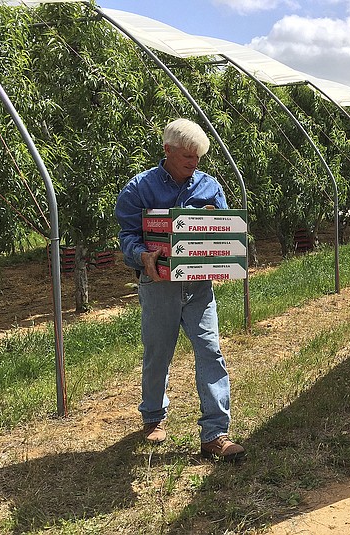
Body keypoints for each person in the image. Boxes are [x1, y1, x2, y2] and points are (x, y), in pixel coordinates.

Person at [115, 118, 244, 462]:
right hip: (159, 286)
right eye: (187, 155)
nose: (193, 163)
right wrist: (142, 256)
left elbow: (223, 230)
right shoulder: (140, 188)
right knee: (159, 352)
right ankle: (153, 417)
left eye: (198, 157)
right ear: (167, 150)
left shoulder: (209, 186)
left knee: (210, 350)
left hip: (198, 287)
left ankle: (215, 433)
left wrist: (222, 259)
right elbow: (127, 235)